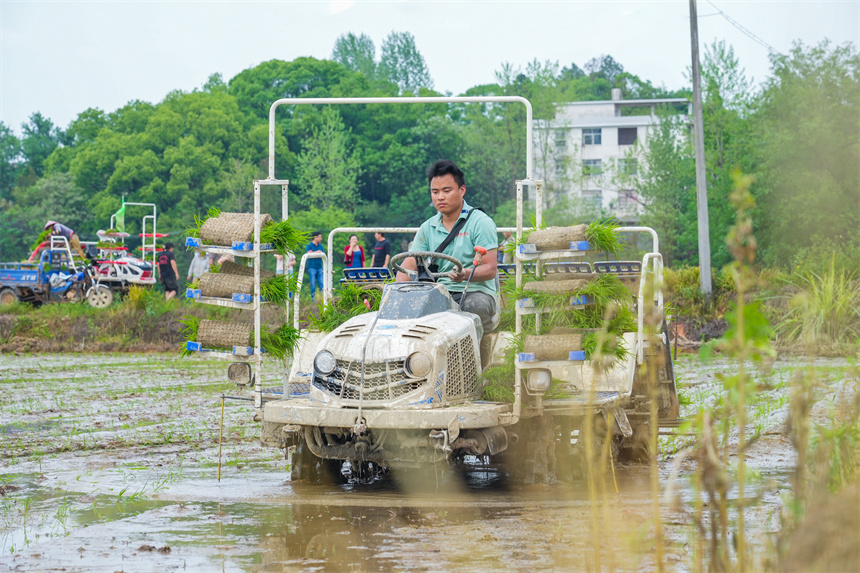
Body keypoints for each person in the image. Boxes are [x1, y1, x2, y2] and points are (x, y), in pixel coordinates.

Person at [395, 160, 499, 336]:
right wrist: (397, 297)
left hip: (475, 291)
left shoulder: (481, 223)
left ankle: (478, 359)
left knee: (475, 307)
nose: (440, 197)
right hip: (440, 292)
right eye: (435, 192)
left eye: (446, 190)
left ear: (462, 190)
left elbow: (490, 269)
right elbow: (409, 265)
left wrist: (465, 274)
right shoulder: (427, 228)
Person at [306, 231, 325, 301]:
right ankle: (313, 299)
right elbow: (309, 254)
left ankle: (322, 298)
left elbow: (323, 254)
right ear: (315, 237)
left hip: (319, 267)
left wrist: (315, 252)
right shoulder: (309, 245)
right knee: (313, 285)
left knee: (322, 284)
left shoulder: (321, 246)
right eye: (320, 237)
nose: (321, 239)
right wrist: (318, 252)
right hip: (312, 268)